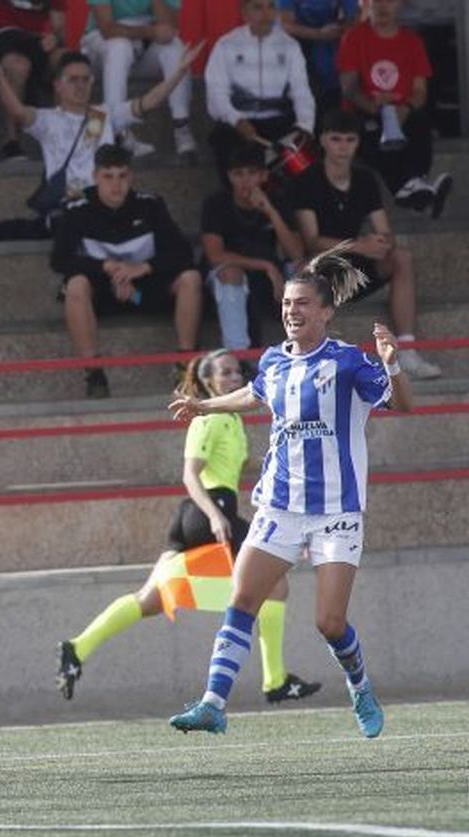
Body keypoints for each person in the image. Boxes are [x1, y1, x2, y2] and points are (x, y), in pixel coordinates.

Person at [165, 247, 414, 738]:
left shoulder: (349, 363)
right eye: (285, 305)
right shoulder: (275, 361)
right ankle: (214, 703)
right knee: (241, 598)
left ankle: (360, 686)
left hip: (336, 511)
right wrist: (206, 406)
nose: (291, 312)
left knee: (329, 622)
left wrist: (393, 365)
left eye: (302, 305)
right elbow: (253, 394)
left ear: (326, 312)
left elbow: (402, 405)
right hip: (280, 504)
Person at [56, 350, 322, 705]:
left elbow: (239, 466)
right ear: (209, 381)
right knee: (276, 583)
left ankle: (77, 648)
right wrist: (214, 515)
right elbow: (190, 474)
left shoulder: (231, 420)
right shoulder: (208, 419)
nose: (233, 378)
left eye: (236, 372)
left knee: (149, 600)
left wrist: (281, 459)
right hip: (209, 512)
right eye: (224, 373)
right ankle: (275, 680)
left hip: (194, 518)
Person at [293, 110, 443, 379]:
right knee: (307, 271)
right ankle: (309, 355)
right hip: (322, 267)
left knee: (401, 257)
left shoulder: (365, 179)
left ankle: (407, 349)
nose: (343, 147)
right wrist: (359, 246)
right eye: (336, 139)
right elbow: (311, 240)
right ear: (323, 141)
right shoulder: (307, 180)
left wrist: (382, 243)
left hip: (355, 266)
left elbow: (385, 230)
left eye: (350, 140)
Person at [0, 46, 200, 226]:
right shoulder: (48, 120)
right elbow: (17, 111)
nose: (80, 85)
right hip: (71, 206)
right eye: (73, 80)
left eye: (86, 79)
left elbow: (147, 103)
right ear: (58, 85)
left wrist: (178, 72)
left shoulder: (103, 115)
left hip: (108, 201)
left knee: (154, 208)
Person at [50, 144, 204, 398]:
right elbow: (59, 260)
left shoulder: (150, 205)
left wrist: (143, 268)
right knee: (74, 285)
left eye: (122, 176)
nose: (116, 185)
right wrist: (105, 268)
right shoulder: (77, 209)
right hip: (102, 292)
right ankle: (94, 373)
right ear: (95, 176)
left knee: (191, 277)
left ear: (131, 177)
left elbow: (181, 253)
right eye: (108, 177)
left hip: (145, 290)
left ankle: (185, 365)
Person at [337, 0, 453, 216]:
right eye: (376, 1)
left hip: (401, 109)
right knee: (372, 133)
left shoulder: (412, 41)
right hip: (366, 111)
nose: (382, 6)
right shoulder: (353, 38)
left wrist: (405, 108)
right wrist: (374, 106)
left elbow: (420, 92)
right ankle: (412, 189)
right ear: (365, 4)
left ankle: (415, 183)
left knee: (419, 122)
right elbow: (349, 89)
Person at [201, 141, 307, 350]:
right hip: (229, 276)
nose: (245, 181)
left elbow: (296, 253)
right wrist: (267, 267)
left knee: (306, 269)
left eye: (251, 173)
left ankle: (310, 347)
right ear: (229, 176)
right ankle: (238, 353)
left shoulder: (277, 200)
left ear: (263, 176)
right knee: (231, 273)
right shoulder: (216, 203)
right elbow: (215, 256)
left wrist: (270, 212)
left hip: (269, 276)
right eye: (238, 174)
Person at [204, 0, 316, 178]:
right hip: (237, 123)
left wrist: (303, 125)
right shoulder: (226, 45)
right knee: (225, 146)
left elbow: (302, 92)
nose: (266, 13)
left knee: (301, 165)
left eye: (271, 6)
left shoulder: (290, 46)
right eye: (258, 7)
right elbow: (216, 93)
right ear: (244, 13)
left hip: (279, 123)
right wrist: (236, 120)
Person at [81, 0, 198, 160]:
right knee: (119, 46)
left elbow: (169, 28)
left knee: (174, 47)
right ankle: (117, 130)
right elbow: (107, 29)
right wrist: (150, 32)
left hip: (143, 47)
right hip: (101, 46)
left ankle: (181, 125)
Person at [0, 0, 71, 161]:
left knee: (65, 59)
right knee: (19, 65)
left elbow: (59, 31)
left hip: (34, 46)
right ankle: (12, 141)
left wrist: (54, 38)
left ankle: (67, 136)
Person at [278, 0, 359, 116]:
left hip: (330, 37)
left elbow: (354, 19)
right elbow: (284, 24)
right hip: (296, 41)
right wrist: (318, 34)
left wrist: (340, 29)